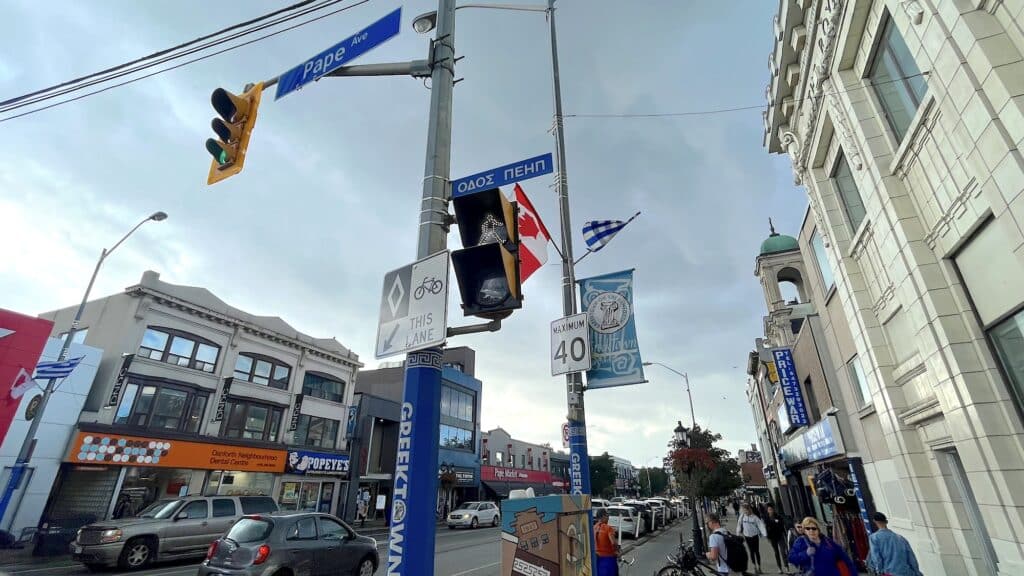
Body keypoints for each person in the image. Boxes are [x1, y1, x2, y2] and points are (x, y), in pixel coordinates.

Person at [788, 517, 857, 576]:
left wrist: (853, 574)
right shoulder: (800, 542)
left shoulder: (828, 542)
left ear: (818, 529)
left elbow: (846, 559)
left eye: (813, 528)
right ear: (805, 531)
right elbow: (791, 558)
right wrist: (805, 554)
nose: (811, 531)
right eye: (807, 528)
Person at [868, 512, 922, 576]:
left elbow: (876, 558)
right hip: (906, 572)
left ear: (875, 521)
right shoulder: (901, 538)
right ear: (886, 522)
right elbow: (911, 558)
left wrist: (879, 571)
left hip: (889, 572)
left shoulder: (874, 538)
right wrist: (917, 572)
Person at [736, 503, 766, 573]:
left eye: (746, 510)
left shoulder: (754, 517)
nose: (745, 512)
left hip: (754, 536)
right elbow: (739, 524)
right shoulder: (742, 517)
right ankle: (754, 566)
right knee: (751, 551)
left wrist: (764, 533)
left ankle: (759, 567)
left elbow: (760, 525)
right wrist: (738, 532)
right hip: (747, 536)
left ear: (749, 510)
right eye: (744, 510)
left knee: (757, 551)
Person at [764, 504, 790, 574]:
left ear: (773, 510)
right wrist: (768, 537)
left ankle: (787, 567)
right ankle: (779, 568)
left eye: (771, 509)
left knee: (783, 552)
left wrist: (776, 523)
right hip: (772, 537)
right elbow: (766, 528)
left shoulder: (778, 516)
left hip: (780, 536)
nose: (770, 511)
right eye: (769, 510)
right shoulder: (766, 518)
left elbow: (781, 525)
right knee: (776, 552)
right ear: (767, 510)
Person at [594, 509, 620, 576]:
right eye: (607, 516)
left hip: (598, 559)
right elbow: (613, 542)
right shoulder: (608, 528)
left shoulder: (594, 527)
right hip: (609, 559)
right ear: (603, 516)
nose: (608, 518)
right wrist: (617, 551)